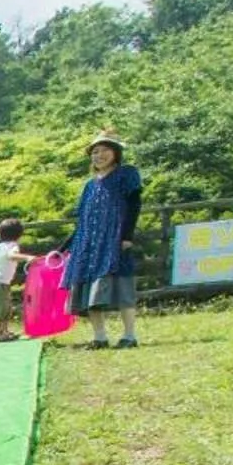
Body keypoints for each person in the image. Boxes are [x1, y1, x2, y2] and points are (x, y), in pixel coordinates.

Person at [61, 131, 145, 347]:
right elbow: (83, 221)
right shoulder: (89, 186)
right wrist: (64, 248)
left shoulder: (127, 174)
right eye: (95, 152)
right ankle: (100, 337)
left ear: (116, 153)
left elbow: (134, 205)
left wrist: (127, 236)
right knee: (88, 290)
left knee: (123, 285)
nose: (99, 155)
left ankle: (129, 336)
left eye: (105, 150)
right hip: (88, 245)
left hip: (114, 240)